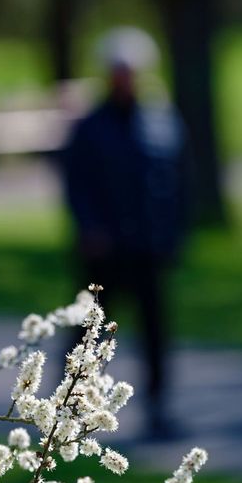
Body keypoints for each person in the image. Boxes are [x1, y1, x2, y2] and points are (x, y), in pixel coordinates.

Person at [58, 27, 189, 440]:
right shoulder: (91, 127)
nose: (124, 80)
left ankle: (159, 409)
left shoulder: (162, 122)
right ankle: (69, 405)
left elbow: (178, 182)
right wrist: (90, 229)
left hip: (148, 247)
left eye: (130, 72)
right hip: (104, 251)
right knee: (88, 331)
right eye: (118, 72)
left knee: (155, 332)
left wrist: (175, 233)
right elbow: (75, 185)